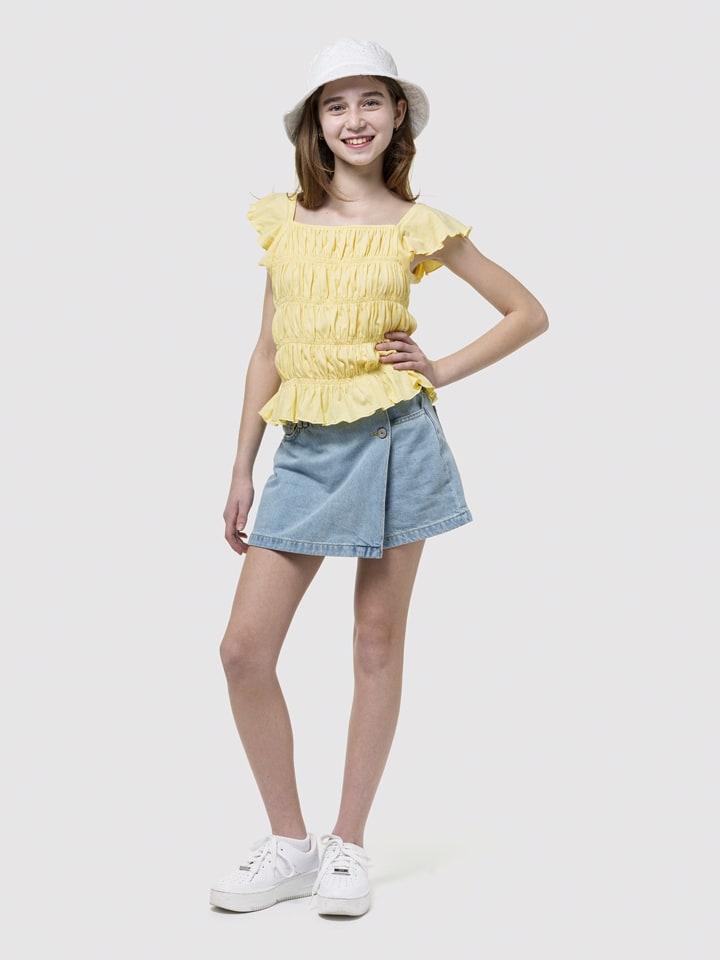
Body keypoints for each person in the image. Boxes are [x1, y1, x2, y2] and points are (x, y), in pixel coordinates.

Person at [210, 38, 549, 919]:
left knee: (374, 642)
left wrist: (439, 370)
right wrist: (243, 465)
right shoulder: (285, 221)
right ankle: (289, 842)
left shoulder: (417, 226)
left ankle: (347, 845)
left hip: (396, 441)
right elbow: (266, 351)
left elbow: (527, 313)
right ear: (315, 126)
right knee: (244, 650)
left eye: (370, 101)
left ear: (398, 115)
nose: (354, 119)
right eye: (336, 104)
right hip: (303, 448)